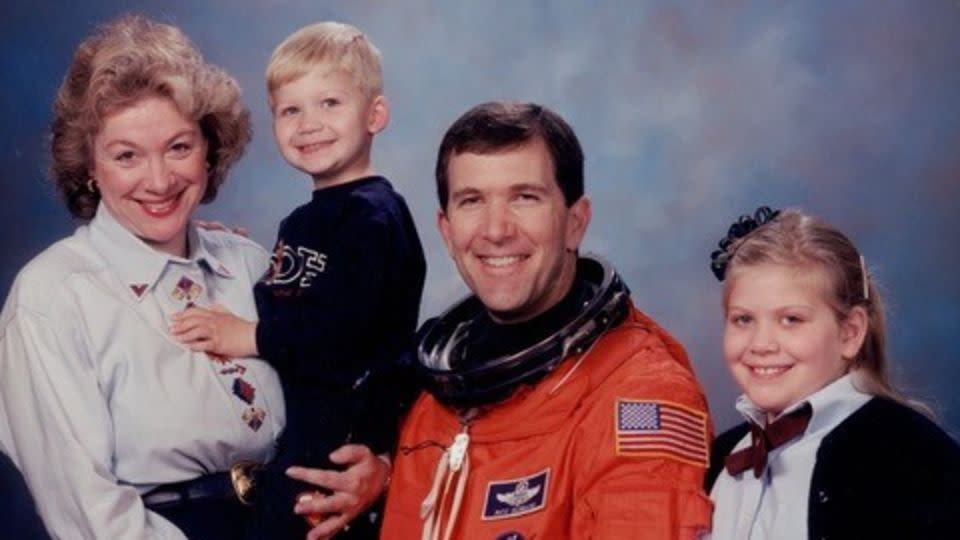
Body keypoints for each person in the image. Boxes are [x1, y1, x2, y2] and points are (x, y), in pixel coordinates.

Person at [0, 15, 383, 540]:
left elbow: (346, 370)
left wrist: (376, 466)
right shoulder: (52, 299)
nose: (159, 180)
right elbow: (86, 513)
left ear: (210, 149)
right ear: (90, 164)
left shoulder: (251, 265)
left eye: (179, 147)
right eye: (126, 155)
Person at [373, 102, 713, 539]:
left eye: (525, 197)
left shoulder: (640, 396)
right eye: (472, 201)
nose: (496, 230)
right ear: (446, 230)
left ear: (575, 222)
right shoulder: (430, 395)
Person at [170, 21, 425, 538]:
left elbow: (341, 332)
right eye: (291, 109)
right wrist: (224, 248)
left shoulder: (372, 217)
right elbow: (296, 295)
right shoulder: (309, 219)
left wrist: (249, 336)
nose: (309, 123)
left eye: (330, 103)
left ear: (374, 115)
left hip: (337, 451)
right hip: (299, 439)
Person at [705, 207, 960, 539]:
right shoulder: (719, 459)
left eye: (791, 319)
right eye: (743, 319)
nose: (761, 344)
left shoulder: (912, 461)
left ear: (850, 333)